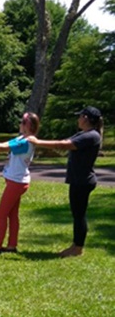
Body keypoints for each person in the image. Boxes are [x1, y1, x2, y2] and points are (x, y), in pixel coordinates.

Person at [27, 106, 103, 257]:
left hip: (82, 181)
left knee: (79, 215)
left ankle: (78, 248)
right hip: (78, 180)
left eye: (80, 116)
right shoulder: (84, 134)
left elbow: (63, 145)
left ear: (86, 118)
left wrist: (37, 141)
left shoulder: (91, 136)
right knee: (77, 214)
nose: (78, 119)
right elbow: (64, 143)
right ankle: (76, 245)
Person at [0, 112, 40, 256]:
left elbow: (2, 147)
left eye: (22, 122)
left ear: (28, 125)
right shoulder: (21, 138)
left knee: (1, 212)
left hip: (17, 182)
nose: (19, 124)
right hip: (15, 180)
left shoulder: (27, 142)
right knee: (12, 214)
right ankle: (12, 245)